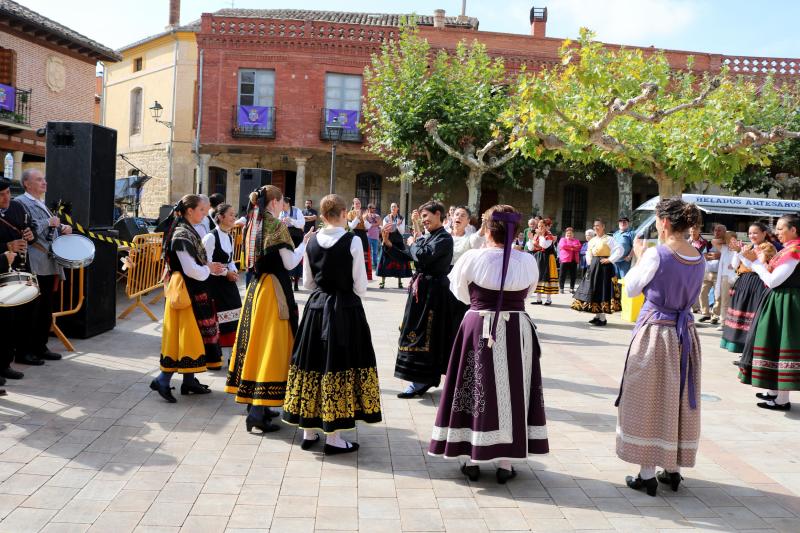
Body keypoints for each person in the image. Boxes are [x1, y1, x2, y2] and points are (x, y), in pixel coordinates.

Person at [430, 204, 548, 484]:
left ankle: (473, 458)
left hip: (478, 324)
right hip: (516, 326)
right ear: (516, 230)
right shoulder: (528, 261)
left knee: (475, 387)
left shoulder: (472, 258)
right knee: (513, 390)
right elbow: (528, 292)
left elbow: (458, 292)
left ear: (487, 228)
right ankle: (506, 463)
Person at [615, 197, 705, 497]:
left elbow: (630, 288)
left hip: (657, 332)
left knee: (649, 397)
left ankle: (646, 474)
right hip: (685, 334)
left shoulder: (657, 255)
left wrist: (639, 257)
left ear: (664, 222)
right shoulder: (698, 256)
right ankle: (673, 470)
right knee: (677, 397)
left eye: (656, 218)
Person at [282, 194, 382, 454]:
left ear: (323, 215)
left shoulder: (313, 240)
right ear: (343, 212)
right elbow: (361, 284)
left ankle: (309, 431)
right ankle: (335, 438)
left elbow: (307, 283)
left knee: (312, 362)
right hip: (344, 309)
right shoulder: (352, 241)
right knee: (338, 364)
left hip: (316, 308)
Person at [226, 185, 308, 432]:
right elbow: (290, 262)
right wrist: (305, 243)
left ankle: (258, 405)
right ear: (276, 202)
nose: (284, 205)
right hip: (274, 290)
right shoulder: (276, 225)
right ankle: (258, 411)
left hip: (257, 289)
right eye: (283, 201)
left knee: (256, 344)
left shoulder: (253, 221)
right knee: (273, 345)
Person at [152, 195, 225, 403]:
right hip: (185, 291)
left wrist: (211, 269)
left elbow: (197, 264)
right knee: (184, 337)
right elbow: (191, 269)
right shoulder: (181, 234)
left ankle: (189, 381)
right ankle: (162, 380)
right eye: (202, 210)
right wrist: (208, 269)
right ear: (190, 211)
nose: (205, 214)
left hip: (193, 289)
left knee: (190, 337)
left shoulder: (187, 229)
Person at [383, 201, 455, 398]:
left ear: (438, 214)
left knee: (426, 334)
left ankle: (422, 379)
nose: (423, 221)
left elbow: (422, 257)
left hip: (434, 294)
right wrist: (388, 244)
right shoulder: (429, 237)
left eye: (426, 216)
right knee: (412, 330)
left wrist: (413, 243)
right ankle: (417, 377)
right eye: (422, 217)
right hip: (420, 292)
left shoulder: (444, 239)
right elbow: (409, 256)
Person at [737, 214, 800, 411]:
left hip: (786, 303)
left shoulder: (795, 251)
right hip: (778, 301)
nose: (777, 232)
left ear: (793, 230)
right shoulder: (788, 249)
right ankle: (773, 393)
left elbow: (774, 280)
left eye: (781, 228)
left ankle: (782, 399)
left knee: (781, 346)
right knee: (772, 343)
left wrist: (756, 265)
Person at [16, 168, 71, 365]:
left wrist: (62, 228)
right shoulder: (21, 203)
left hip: (48, 263)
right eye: (39, 180)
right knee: (31, 309)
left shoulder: (41, 203)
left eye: (44, 179)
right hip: (34, 262)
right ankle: (25, 351)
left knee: (46, 308)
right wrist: (50, 221)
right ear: (27, 184)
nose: (44, 182)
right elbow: (27, 228)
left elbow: (49, 228)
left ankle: (41, 346)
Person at [721, 223, 776, 354]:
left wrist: (740, 252)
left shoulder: (768, 247)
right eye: (750, 233)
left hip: (757, 283)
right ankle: (742, 350)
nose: (752, 236)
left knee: (751, 318)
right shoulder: (749, 247)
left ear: (764, 233)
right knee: (740, 316)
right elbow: (735, 265)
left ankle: (750, 351)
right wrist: (737, 252)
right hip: (743, 283)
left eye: (755, 233)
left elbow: (753, 266)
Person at [0, 178, 35, 383]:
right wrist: (7, 246)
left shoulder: (15, 208)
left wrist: (31, 235)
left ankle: (5, 365)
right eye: (2, 194)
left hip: (13, 274)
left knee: (8, 322)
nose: (7, 197)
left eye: (7, 192)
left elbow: (28, 230)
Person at [202, 203, 242, 354]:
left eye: (234, 214)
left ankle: (231, 350)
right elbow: (207, 263)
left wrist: (234, 271)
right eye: (231, 214)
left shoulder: (230, 237)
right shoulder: (210, 237)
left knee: (235, 311)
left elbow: (230, 259)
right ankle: (215, 352)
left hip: (227, 282)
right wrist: (226, 273)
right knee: (217, 316)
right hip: (214, 283)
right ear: (220, 217)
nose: (234, 217)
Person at [572, 219, 623, 325]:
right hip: (594, 267)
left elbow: (619, 250)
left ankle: (603, 318)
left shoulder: (609, 239)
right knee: (594, 290)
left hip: (604, 268)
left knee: (602, 290)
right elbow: (588, 252)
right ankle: (597, 315)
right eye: (595, 226)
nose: (596, 227)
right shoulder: (592, 240)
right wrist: (590, 263)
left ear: (603, 226)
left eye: (598, 225)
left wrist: (610, 259)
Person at [377, 203, 412, 289]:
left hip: (398, 241)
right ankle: (382, 282)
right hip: (388, 240)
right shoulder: (386, 218)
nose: (393, 208)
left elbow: (402, 231)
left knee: (400, 260)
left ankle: (400, 282)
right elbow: (385, 229)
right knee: (385, 261)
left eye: (394, 206)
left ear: (397, 208)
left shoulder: (401, 218)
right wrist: (396, 225)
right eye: (392, 206)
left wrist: (395, 225)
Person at [697, 224, 726, 324]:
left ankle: (715, 315)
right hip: (707, 272)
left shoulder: (726, 244)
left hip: (720, 273)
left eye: (719, 230)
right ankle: (705, 313)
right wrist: (718, 256)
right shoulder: (708, 243)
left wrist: (720, 255)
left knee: (718, 296)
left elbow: (727, 256)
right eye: (715, 230)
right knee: (702, 292)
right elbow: (705, 256)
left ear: (724, 232)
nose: (717, 232)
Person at [527, 218, 558, 305]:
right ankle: (539, 299)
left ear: (546, 227)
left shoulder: (548, 235)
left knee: (547, 277)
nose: (540, 228)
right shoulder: (537, 235)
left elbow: (544, 245)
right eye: (539, 226)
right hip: (538, 257)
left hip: (547, 257)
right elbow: (531, 248)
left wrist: (540, 235)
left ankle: (548, 299)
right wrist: (530, 239)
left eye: (542, 226)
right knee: (538, 276)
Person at [714, 231, 738, 331]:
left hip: (736, 277)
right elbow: (714, 241)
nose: (730, 240)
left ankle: (734, 322)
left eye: (732, 238)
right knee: (724, 301)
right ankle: (723, 322)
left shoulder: (739, 248)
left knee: (735, 301)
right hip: (725, 277)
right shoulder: (724, 248)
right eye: (727, 238)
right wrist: (724, 239)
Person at [280, 197, 305, 291]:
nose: (282, 207)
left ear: (288, 204)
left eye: (284, 205)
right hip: (286, 236)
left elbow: (301, 224)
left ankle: (296, 283)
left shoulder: (297, 210)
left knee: (297, 256)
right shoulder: (281, 212)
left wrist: (291, 220)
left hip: (296, 235)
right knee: (287, 257)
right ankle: (288, 280)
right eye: (281, 205)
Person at [347, 198, 373, 281]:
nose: (358, 205)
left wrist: (364, 219)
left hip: (363, 236)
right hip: (354, 235)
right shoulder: (350, 213)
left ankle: (363, 277)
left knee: (363, 256)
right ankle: (352, 277)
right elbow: (351, 226)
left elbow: (368, 227)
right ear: (353, 205)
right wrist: (357, 217)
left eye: (359, 203)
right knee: (354, 256)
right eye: (356, 203)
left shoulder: (365, 213)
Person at [558, 227, 581, 294]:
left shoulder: (576, 240)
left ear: (573, 234)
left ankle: (572, 288)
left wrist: (570, 247)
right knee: (562, 274)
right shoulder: (563, 239)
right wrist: (573, 247)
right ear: (565, 234)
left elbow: (579, 247)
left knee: (573, 275)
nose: (569, 235)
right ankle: (561, 288)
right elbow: (563, 246)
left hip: (574, 260)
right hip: (565, 259)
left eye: (570, 233)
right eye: (568, 233)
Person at [365, 203, 382, 271]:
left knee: (375, 252)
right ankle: (369, 265)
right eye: (373, 208)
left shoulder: (377, 215)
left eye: (374, 208)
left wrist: (371, 224)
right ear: (369, 208)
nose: (374, 209)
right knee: (368, 251)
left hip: (375, 236)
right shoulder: (366, 216)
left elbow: (379, 223)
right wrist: (373, 224)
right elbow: (365, 224)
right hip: (368, 236)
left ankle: (375, 265)